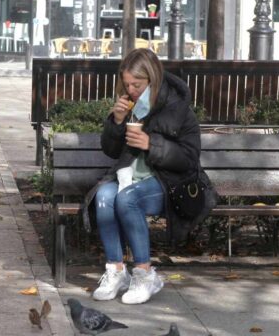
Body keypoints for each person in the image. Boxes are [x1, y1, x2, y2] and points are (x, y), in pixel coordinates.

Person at [87, 48, 210, 305]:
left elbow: (189, 158)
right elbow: (111, 152)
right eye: (127, 83)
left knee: (127, 199)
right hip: (130, 177)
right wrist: (117, 121)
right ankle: (116, 271)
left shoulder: (178, 109)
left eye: (137, 84)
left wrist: (150, 144)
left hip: (168, 182)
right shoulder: (129, 106)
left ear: (152, 79)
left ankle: (144, 274)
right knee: (103, 196)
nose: (131, 89)